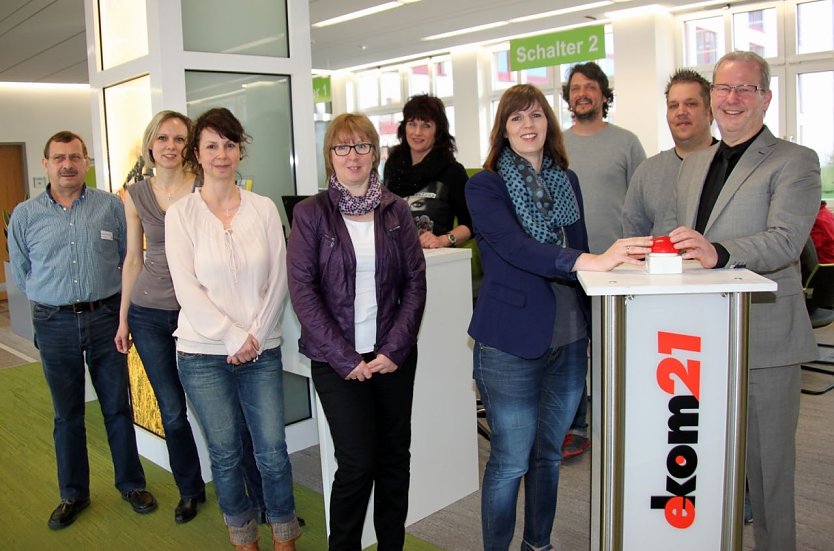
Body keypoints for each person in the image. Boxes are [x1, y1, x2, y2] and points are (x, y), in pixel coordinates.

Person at [466, 84, 652, 550]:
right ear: (503, 130)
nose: (527, 125)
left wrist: (592, 325)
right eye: (516, 118)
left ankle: (538, 544)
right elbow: (516, 248)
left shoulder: (567, 180)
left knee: (548, 455)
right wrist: (589, 260)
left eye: (535, 115)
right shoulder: (485, 186)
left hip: (569, 338)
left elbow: (580, 245)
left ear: (549, 123)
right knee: (511, 461)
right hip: (510, 343)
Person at [662, 51, 821, 551]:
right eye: (723, 88)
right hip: (699, 342)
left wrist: (719, 252)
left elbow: (786, 241)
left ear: (765, 98)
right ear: (712, 96)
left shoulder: (795, 160)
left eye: (744, 89)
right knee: (706, 463)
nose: (732, 99)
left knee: (768, 472)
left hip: (765, 337)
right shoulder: (693, 164)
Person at [287, 113, 427, 550]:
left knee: (394, 459)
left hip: (391, 357)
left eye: (362, 145)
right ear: (329, 155)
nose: (353, 155)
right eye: (342, 147)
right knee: (356, 463)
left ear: (375, 153)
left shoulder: (396, 210)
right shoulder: (311, 213)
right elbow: (302, 291)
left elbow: (415, 283)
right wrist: (345, 358)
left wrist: (395, 348)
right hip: (337, 361)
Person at [165, 108, 301, 551]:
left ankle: (284, 535)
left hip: (261, 349)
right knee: (225, 454)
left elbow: (279, 277)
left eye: (229, 144)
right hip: (202, 354)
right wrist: (230, 335)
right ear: (196, 154)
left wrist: (254, 335)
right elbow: (187, 287)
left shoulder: (263, 209)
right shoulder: (181, 215)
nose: (221, 154)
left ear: (240, 150)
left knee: (272, 451)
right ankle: (244, 538)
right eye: (211, 145)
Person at [7, 131, 158, 530]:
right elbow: (22, 272)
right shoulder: (25, 215)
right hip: (53, 322)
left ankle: (131, 484)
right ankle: (73, 494)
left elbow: (128, 260)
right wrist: (50, 298)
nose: (67, 165)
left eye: (75, 157)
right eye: (59, 158)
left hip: (105, 317)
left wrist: (122, 313)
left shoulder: (110, 207)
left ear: (86, 162)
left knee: (117, 406)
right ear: (46, 164)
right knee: (67, 413)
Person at [113, 111, 205, 524]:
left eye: (179, 138)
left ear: (189, 145)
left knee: (216, 406)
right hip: (148, 313)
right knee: (171, 409)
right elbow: (133, 259)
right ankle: (190, 490)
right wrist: (123, 319)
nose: (170, 146)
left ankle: (244, 487)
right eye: (163, 138)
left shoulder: (204, 186)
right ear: (150, 144)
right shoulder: (134, 195)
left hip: (196, 312)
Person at [560, 61, 647, 459]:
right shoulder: (556, 144)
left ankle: (624, 420)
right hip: (570, 267)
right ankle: (576, 426)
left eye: (590, 87)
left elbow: (643, 201)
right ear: (568, 97)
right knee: (572, 349)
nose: (582, 94)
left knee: (617, 348)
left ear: (604, 95)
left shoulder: (626, 142)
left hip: (619, 268)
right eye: (576, 88)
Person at [623, 69, 716, 237]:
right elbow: (633, 237)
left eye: (691, 104)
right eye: (673, 106)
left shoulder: (729, 164)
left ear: (710, 112)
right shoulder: (647, 172)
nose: (681, 112)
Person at [383, 94, 472, 249]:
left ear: (438, 131)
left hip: (435, 256)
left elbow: (470, 224)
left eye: (426, 126)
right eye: (412, 124)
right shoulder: (393, 165)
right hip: (395, 254)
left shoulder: (452, 171)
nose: (417, 132)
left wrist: (443, 240)